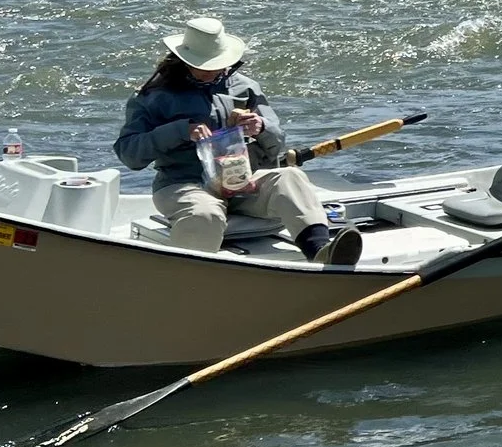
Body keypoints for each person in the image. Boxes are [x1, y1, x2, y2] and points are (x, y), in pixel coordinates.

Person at [114, 15, 353, 264]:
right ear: (184, 61)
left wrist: (261, 128)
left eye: (217, 63)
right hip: (184, 185)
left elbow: (276, 147)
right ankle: (189, 278)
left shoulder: (246, 88)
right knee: (203, 214)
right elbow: (129, 153)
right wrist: (179, 131)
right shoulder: (153, 96)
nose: (213, 70)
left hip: (243, 182)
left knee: (291, 177)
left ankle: (321, 251)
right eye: (204, 65)